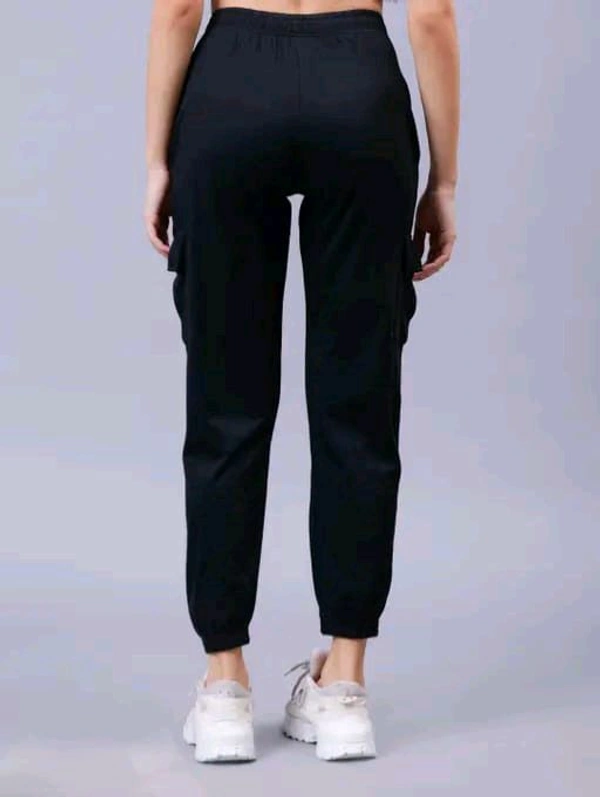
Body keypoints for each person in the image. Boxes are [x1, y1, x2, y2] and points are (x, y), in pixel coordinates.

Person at [144, 0, 459, 763]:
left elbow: (179, 8)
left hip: (231, 89)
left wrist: (158, 160)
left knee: (224, 402)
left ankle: (225, 685)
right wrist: (444, 180)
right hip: (358, 87)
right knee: (358, 402)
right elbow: (432, 17)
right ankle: (344, 684)